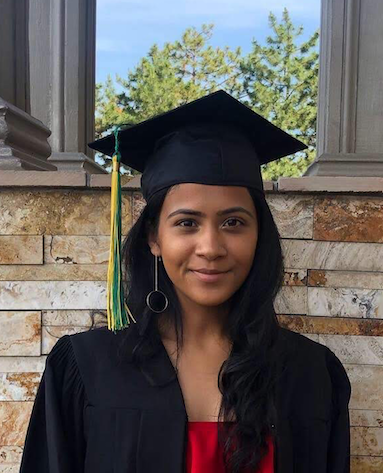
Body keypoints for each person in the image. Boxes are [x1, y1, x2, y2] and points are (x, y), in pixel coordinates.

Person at [17, 90, 351, 473]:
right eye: (187, 223)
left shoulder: (310, 374)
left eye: (234, 222)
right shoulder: (86, 368)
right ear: (154, 238)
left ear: (260, 237)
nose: (210, 247)